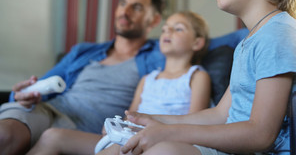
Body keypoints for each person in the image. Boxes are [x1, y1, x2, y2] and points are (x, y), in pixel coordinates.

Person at [99, 0, 296, 155]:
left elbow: (261, 134)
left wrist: (169, 133)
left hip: (259, 149)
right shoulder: (250, 42)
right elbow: (220, 114)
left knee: (163, 150)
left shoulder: (278, 35)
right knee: (120, 149)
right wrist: (156, 120)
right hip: (237, 147)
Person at [0, 0, 165, 155]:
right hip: (48, 110)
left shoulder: (159, 57)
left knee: (49, 138)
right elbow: (43, 84)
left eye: (137, 7)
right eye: (122, 3)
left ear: (154, 20)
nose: (125, 12)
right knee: (4, 135)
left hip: (82, 130)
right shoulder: (84, 51)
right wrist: (23, 94)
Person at [26, 11, 212, 155]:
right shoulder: (147, 79)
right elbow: (130, 115)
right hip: (127, 136)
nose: (167, 31)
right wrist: (113, 126)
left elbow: (193, 124)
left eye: (178, 28)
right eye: (165, 28)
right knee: (53, 136)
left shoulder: (196, 77)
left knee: (115, 150)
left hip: (160, 141)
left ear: (197, 43)